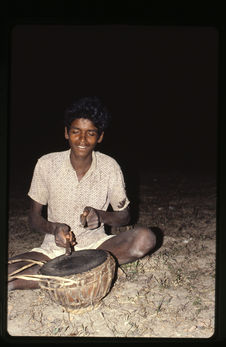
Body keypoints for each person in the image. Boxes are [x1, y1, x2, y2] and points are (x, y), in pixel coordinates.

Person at [8, 96, 156, 291]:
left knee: (145, 238)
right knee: (9, 272)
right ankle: (77, 272)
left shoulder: (109, 166)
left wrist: (101, 216)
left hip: (98, 247)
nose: (83, 140)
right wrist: (54, 229)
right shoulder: (46, 164)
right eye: (76, 132)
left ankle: (59, 274)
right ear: (66, 133)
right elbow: (34, 219)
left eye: (91, 133)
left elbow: (125, 216)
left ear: (100, 136)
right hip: (53, 250)